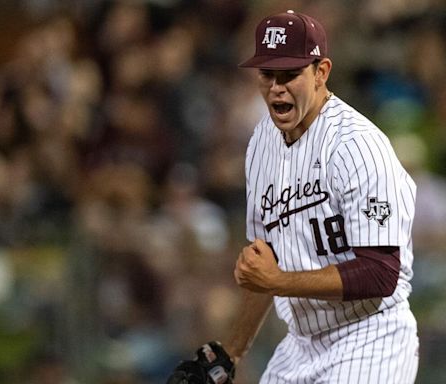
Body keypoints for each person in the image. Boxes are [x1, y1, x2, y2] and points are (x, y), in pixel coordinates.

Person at [166, 9, 419, 384]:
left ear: (321, 72)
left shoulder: (357, 146)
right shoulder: (261, 145)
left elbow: (381, 273)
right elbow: (263, 260)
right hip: (301, 344)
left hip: (370, 337)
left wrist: (278, 280)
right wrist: (231, 353)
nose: (276, 87)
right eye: (267, 74)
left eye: (290, 75)